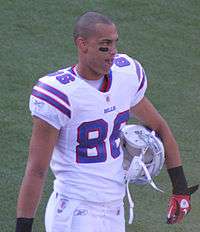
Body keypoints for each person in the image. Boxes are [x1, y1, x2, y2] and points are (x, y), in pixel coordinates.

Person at [15, 11, 198, 232]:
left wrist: (180, 189)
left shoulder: (126, 76)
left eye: (114, 45)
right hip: (74, 211)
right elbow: (36, 170)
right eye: (104, 46)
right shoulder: (59, 94)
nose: (112, 53)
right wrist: (23, 228)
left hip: (114, 210)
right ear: (82, 44)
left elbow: (159, 127)